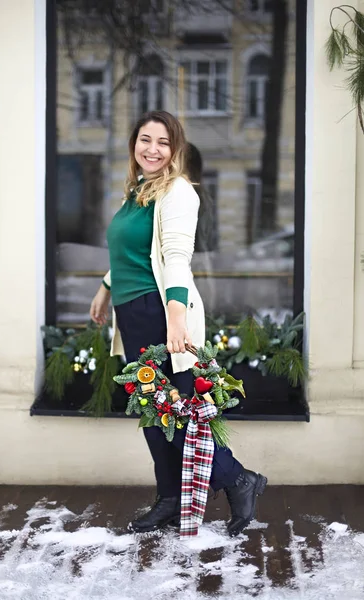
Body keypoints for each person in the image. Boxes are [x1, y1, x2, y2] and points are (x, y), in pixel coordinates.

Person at [90, 110, 267, 536]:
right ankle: (170, 497)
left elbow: (176, 261)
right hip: (132, 313)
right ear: (134, 144)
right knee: (154, 413)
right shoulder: (137, 192)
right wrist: (104, 288)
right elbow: (130, 254)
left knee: (179, 412)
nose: (152, 149)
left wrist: (175, 321)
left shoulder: (178, 193)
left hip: (160, 310)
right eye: (145, 139)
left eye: (163, 142)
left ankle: (239, 479)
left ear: (176, 149)